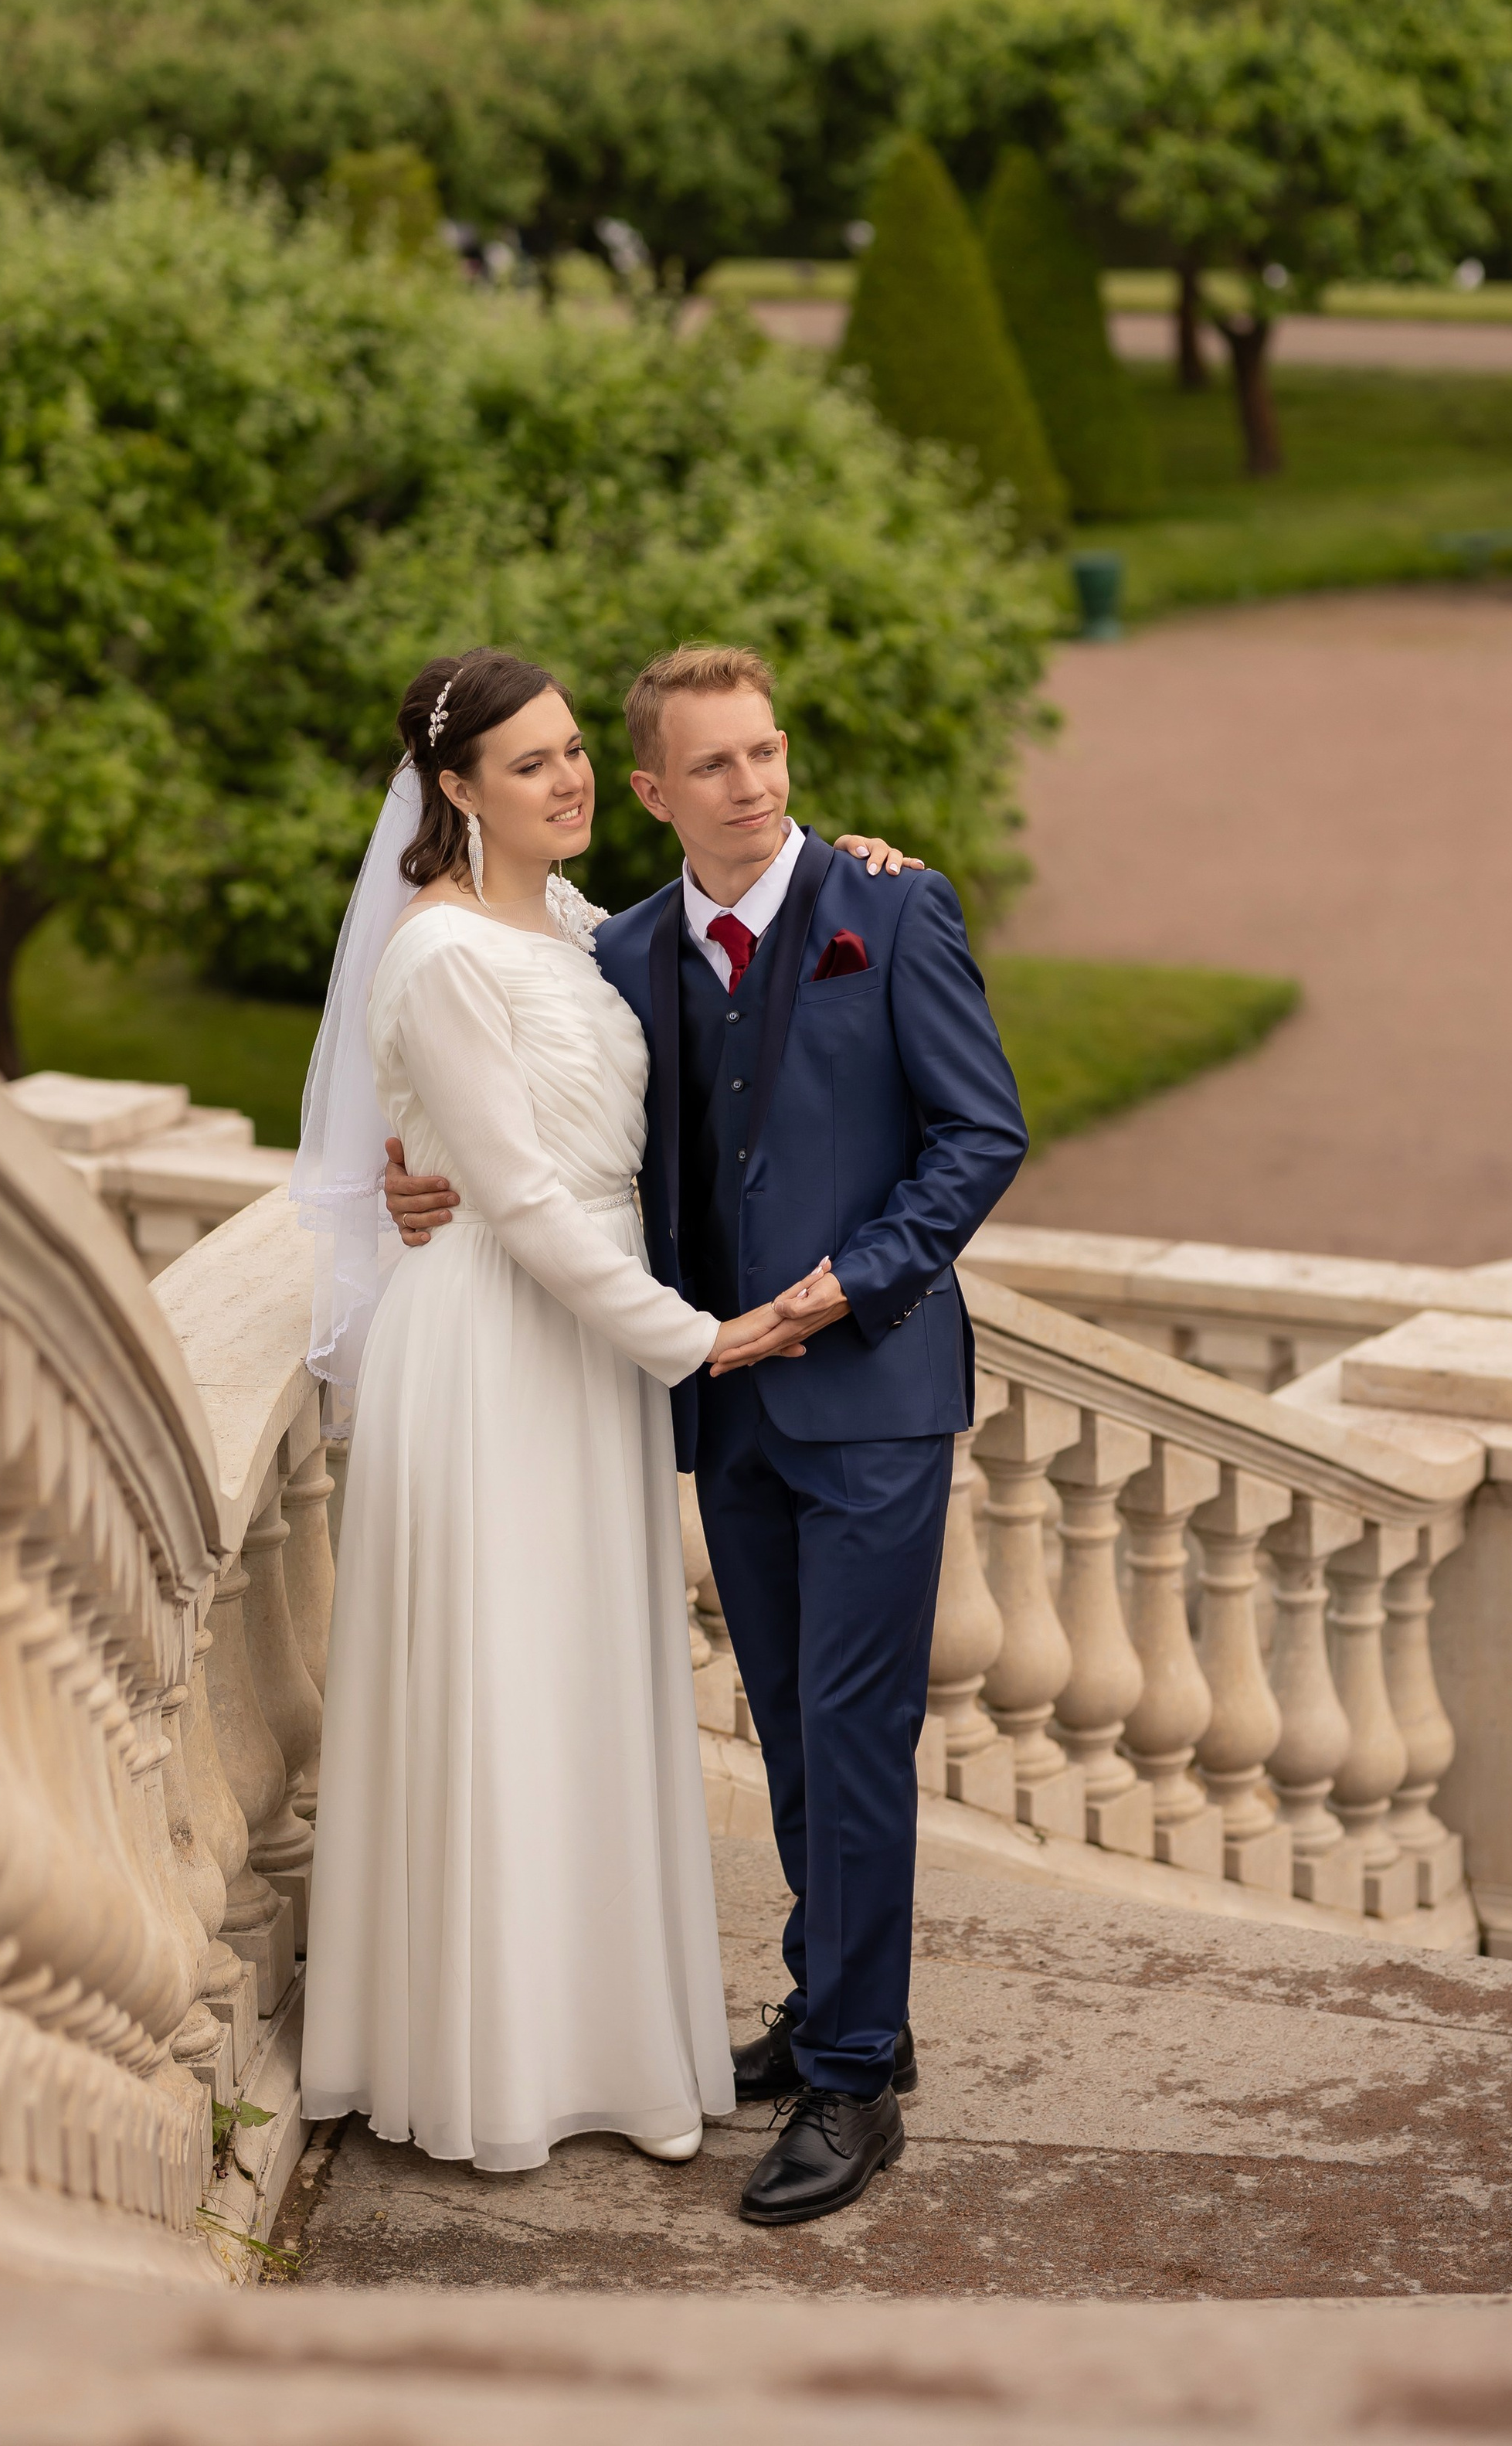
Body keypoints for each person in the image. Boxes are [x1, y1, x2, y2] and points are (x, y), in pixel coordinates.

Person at [388, 645, 1028, 2227]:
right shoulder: (612, 951)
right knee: (794, 1737)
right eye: (714, 766)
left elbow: (979, 1134)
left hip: (870, 1393)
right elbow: (547, 1120)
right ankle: (830, 2015)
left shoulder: (891, 910)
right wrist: (421, 1178)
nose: (752, 784)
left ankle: (856, 2075)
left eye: (768, 753)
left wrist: (850, 1286)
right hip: (723, 1412)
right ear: (657, 792)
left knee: (852, 1735)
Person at [295, 647, 905, 2177]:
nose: (564, 780)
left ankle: (602, 2034)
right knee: (506, 1685)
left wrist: (860, 873)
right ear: (453, 789)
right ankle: (486, 2059)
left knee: (580, 1686)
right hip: (506, 1348)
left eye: (572, 753)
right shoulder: (435, 954)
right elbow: (508, 1191)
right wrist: (696, 1342)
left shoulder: (577, 926)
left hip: (588, 1356)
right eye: (526, 763)